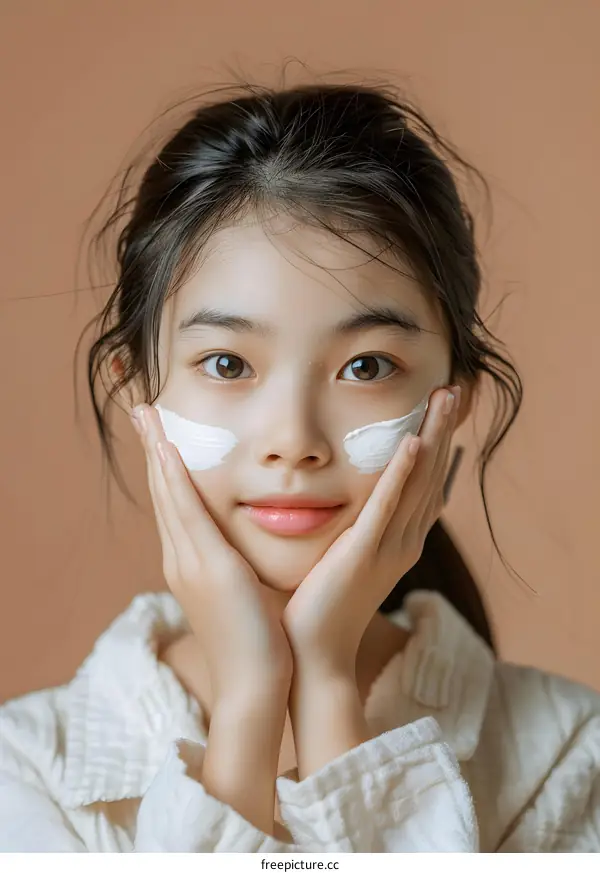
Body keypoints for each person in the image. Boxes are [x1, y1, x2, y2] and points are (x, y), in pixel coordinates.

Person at [1, 80, 599, 854]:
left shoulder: (569, 756)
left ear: (455, 404)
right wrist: (253, 698)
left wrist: (327, 687)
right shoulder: (24, 769)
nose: (294, 440)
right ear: (134, 389)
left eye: (367, 365)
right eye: (226, 362)